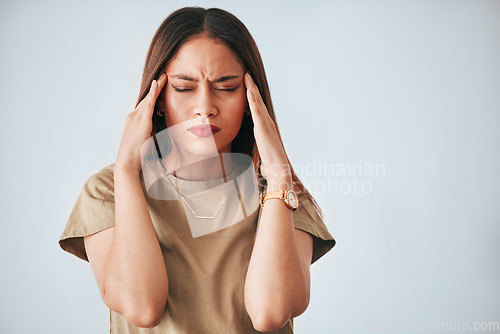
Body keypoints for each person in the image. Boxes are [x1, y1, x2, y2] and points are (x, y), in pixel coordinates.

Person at [58, 6, 336, 334]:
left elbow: (269, 314)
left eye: (226, 87)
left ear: (250, 99)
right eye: (185, 87)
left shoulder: (282, 193)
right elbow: (142, 307)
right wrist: (127, 170)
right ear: (157, 97)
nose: (205, 106)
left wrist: (277, 173)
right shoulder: (107, 191)